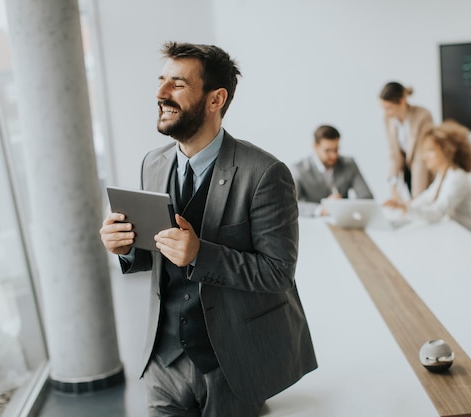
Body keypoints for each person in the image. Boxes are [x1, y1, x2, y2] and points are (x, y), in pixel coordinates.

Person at [99, 42, 316, 417]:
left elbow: (278, 274)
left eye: (177, 84)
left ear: (216, 99)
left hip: (232, 365)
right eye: (161, 80)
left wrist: (201, 254)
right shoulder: (152, 163)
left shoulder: (265, 173)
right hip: (163, 363)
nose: (160, 93)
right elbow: (155, 252)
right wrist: (125, 247)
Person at [383, 120, 471, 235]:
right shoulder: (443, 175)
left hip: (468, 237)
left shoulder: (457, 179)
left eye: (430, 151)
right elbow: (426, 198)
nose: (425, 157)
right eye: (424, 151)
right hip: (453, 234)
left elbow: (437, 213)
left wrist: (406, 209)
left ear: (447, 150)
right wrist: (404, 206)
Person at [291, 124, 374, 217]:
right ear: (315, 147)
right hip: (313, 224)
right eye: (328, 150)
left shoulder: (349, 164)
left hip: (343, 221)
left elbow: (366, 198)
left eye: (336, 149)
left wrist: (343, 206)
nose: (334, 155)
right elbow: (291, 204)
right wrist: (321, 209)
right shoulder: (298, 169)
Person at [379, 81, 435, 199]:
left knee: (421, 202)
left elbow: (421, 156)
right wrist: (393, 187)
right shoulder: (388, 119)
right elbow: (394, 155)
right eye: (383, 108)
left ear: (402, 102)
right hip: (406, 168)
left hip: (423, 167)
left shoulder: (423, 116)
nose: (386, 113)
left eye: (389, 108)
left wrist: (416, 200)